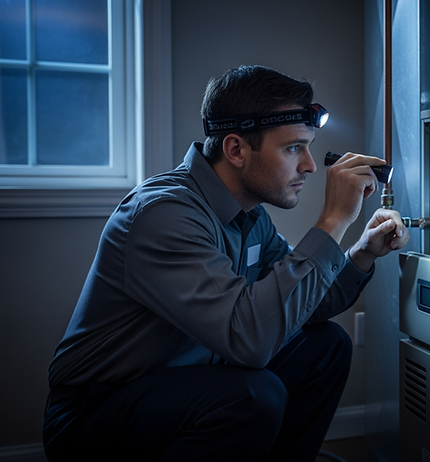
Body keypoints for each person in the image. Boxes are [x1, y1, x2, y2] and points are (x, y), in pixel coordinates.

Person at [42, 65, 410, 461]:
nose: (309, 165)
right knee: (253, 396)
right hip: (98, 412)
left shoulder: (250, 216)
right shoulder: (164, 215)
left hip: (191, 381)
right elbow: (249, 340)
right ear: (236, 149)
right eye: (292, 148)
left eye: (308, 147)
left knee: (326, 346)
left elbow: (304, 306)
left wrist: (363, 251)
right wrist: (334, 219)